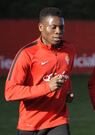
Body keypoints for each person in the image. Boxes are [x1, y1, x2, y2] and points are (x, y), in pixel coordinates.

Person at [5, 7, 75, 135]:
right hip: (30, 123)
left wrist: (68, 90)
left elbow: (66, 75)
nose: (58, 31)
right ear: (41, 27)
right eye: (53, 27)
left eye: (61, 27)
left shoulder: (69, 49)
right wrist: (47, 87)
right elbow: (10, 92)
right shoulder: (27, 53)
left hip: (58, 119)